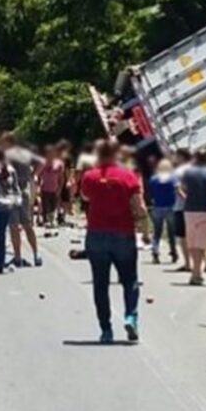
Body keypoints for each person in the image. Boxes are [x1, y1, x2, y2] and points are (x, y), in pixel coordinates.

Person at [80, 139, 149, 344]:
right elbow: (140, 208)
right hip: (123, 234)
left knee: (100, 285)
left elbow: (84, 196)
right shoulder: (128, 176)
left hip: (96, 234)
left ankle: (106, 329)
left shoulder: (90, 176)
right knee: (130, 281)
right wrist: (144, 230)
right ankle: (130, 318)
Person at [1, 132, 43, 267]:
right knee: (27, 224)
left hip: (12, 191)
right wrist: (33, 175)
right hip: (24, 189)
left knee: (14, 226)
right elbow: (41, 162)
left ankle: (18, 257)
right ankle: (36, 254)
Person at [180, 149, 206, 285]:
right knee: (201, 242)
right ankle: (197, 272)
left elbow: (183, 188)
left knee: (192, 242)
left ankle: (196, 272)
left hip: (190, 209)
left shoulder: (188, 173)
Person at [147, 158, 178, 264]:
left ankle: (155, 251)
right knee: (171, 232)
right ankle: (173, 252)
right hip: (171, 207)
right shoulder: (173, 178)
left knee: (157, 231)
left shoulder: (153, 179)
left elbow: (149, 192)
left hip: (157, 206)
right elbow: (177, 189)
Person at [171, 148, 192, 272]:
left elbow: (178, 190)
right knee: (196, 236)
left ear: (181, 158)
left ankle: (188, 263)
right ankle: (204, 262)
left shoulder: (178, 172)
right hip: (197, 206)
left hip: (181, 207)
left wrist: (186, 199)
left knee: (183, 237)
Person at [39, 145, 65, 228]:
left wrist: (60, 188)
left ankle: (52, 220)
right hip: (45, 188)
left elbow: (61, 178)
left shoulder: (59, 164)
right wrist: (39, 186)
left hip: (54, 188)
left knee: (53, 206)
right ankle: (46, 221)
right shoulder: (43, 163)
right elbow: (38, 175)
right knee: (45, 205)